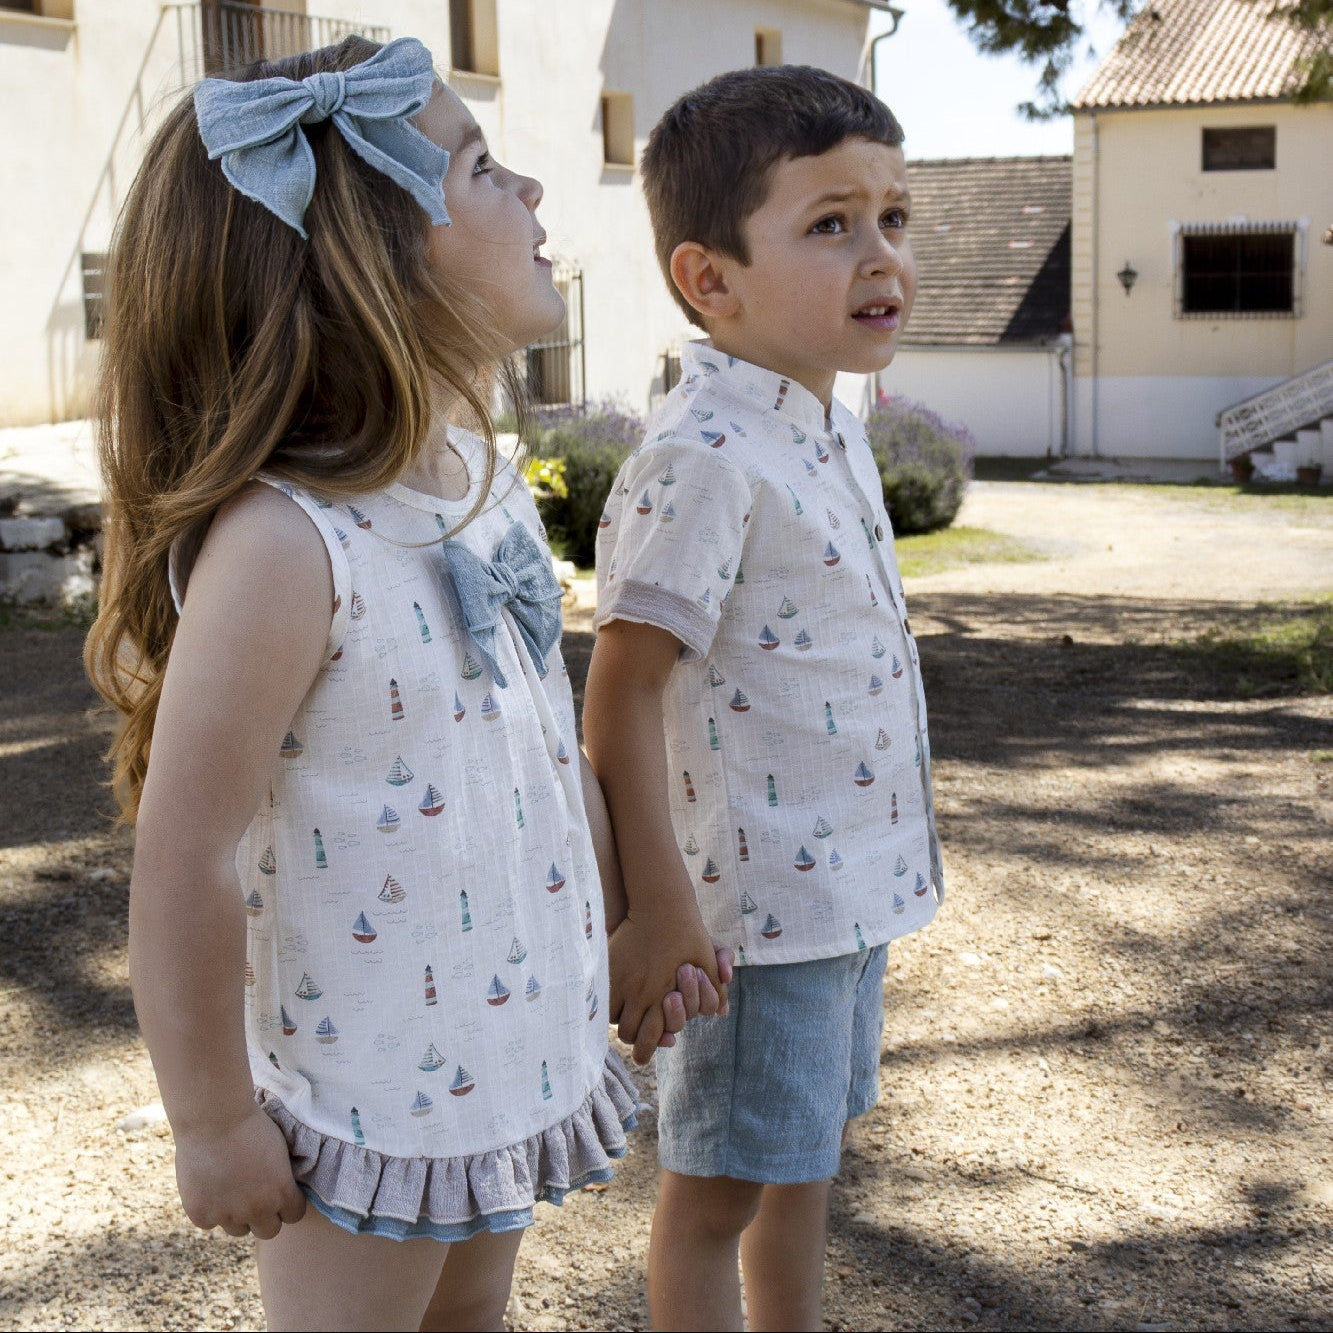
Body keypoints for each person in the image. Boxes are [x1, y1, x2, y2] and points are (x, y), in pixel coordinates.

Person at [83, 36, 721, 1333]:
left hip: (495, 1049)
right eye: (482, 167)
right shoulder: (287, 543)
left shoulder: (473, 485)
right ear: (370, 257)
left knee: (469, 1314)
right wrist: (210, 1119)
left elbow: (533, 750)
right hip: (367, 1089)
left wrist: (615, 923)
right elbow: (186, 851)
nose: (535, 190)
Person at [583, 66, 944, 1331]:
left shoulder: (830, 421)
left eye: (892, 217)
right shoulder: (702, 454)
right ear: (711, 281)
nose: (880, 253)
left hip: (850, 889)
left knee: (807, 1167)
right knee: (718, 1194)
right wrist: (656, 907)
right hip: (758, 917)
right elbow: (619, 692)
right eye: (831, 223)